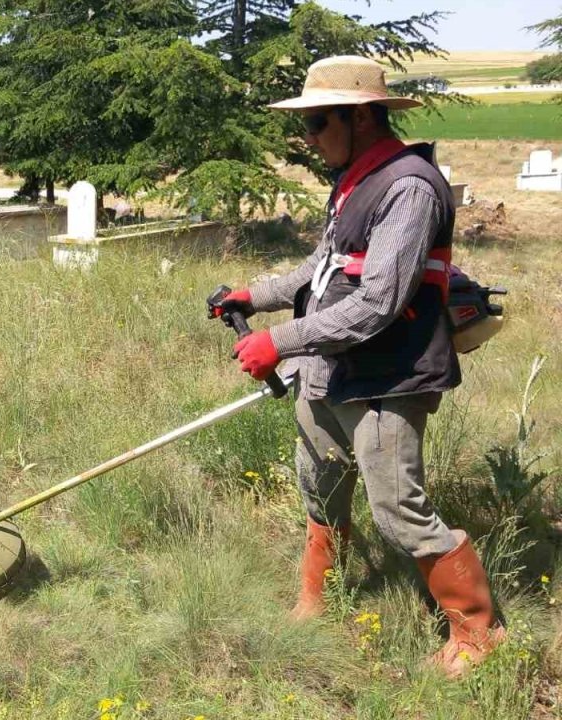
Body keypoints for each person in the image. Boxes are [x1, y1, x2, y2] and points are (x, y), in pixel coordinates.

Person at [220, 55, 503, 677]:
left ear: (360, 116)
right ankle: (320, 599)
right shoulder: (353, 180)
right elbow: (319, 271)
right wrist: (253, 294)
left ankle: (479, 636)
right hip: (328, 371)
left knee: (398, 511)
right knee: (321, 487)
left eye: (317, 123)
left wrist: (280, 340)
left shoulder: (408, 187)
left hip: (388, 376)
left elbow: (380, 301)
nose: (308, 138)